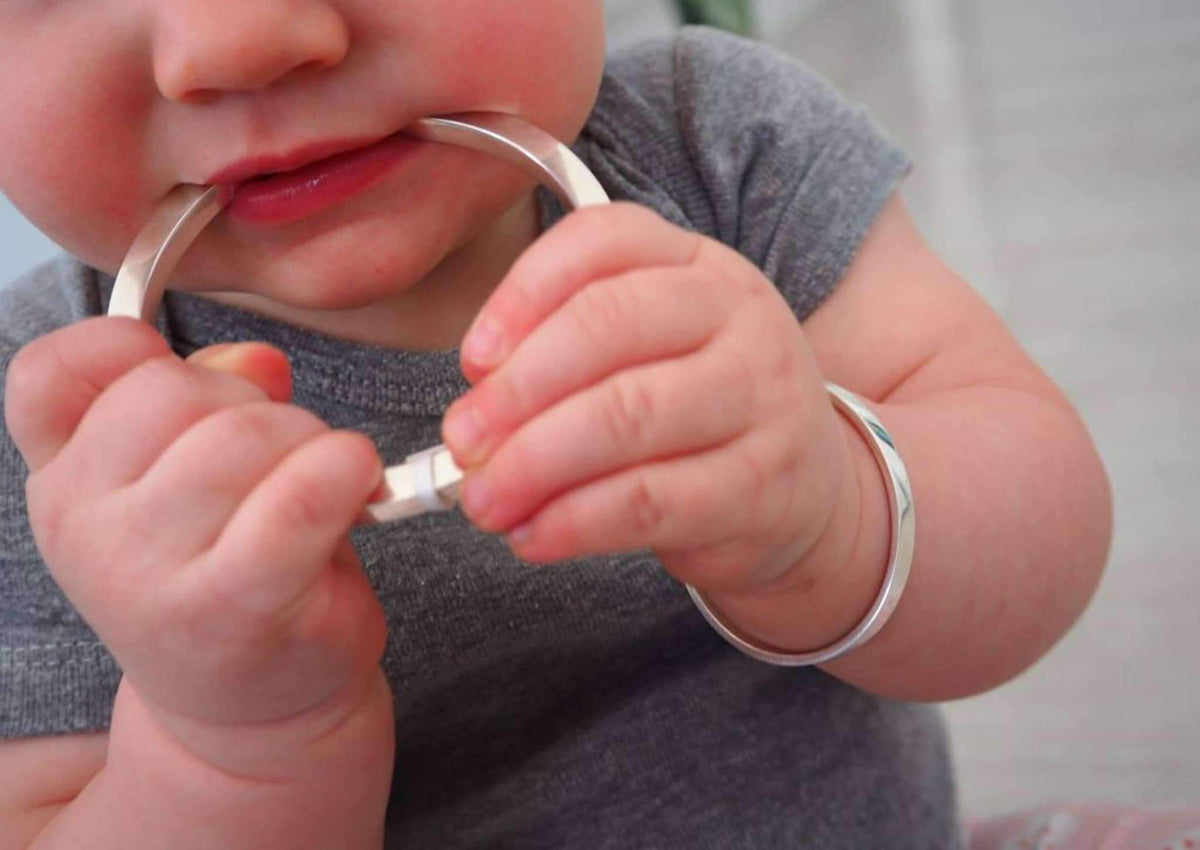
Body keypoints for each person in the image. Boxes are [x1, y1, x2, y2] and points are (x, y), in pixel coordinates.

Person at [0, 1, 1113, 847]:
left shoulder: (715, 144)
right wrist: (225, 743)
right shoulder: (49, 428)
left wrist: (832, 506)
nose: (237, 41)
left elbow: (1044, 524)